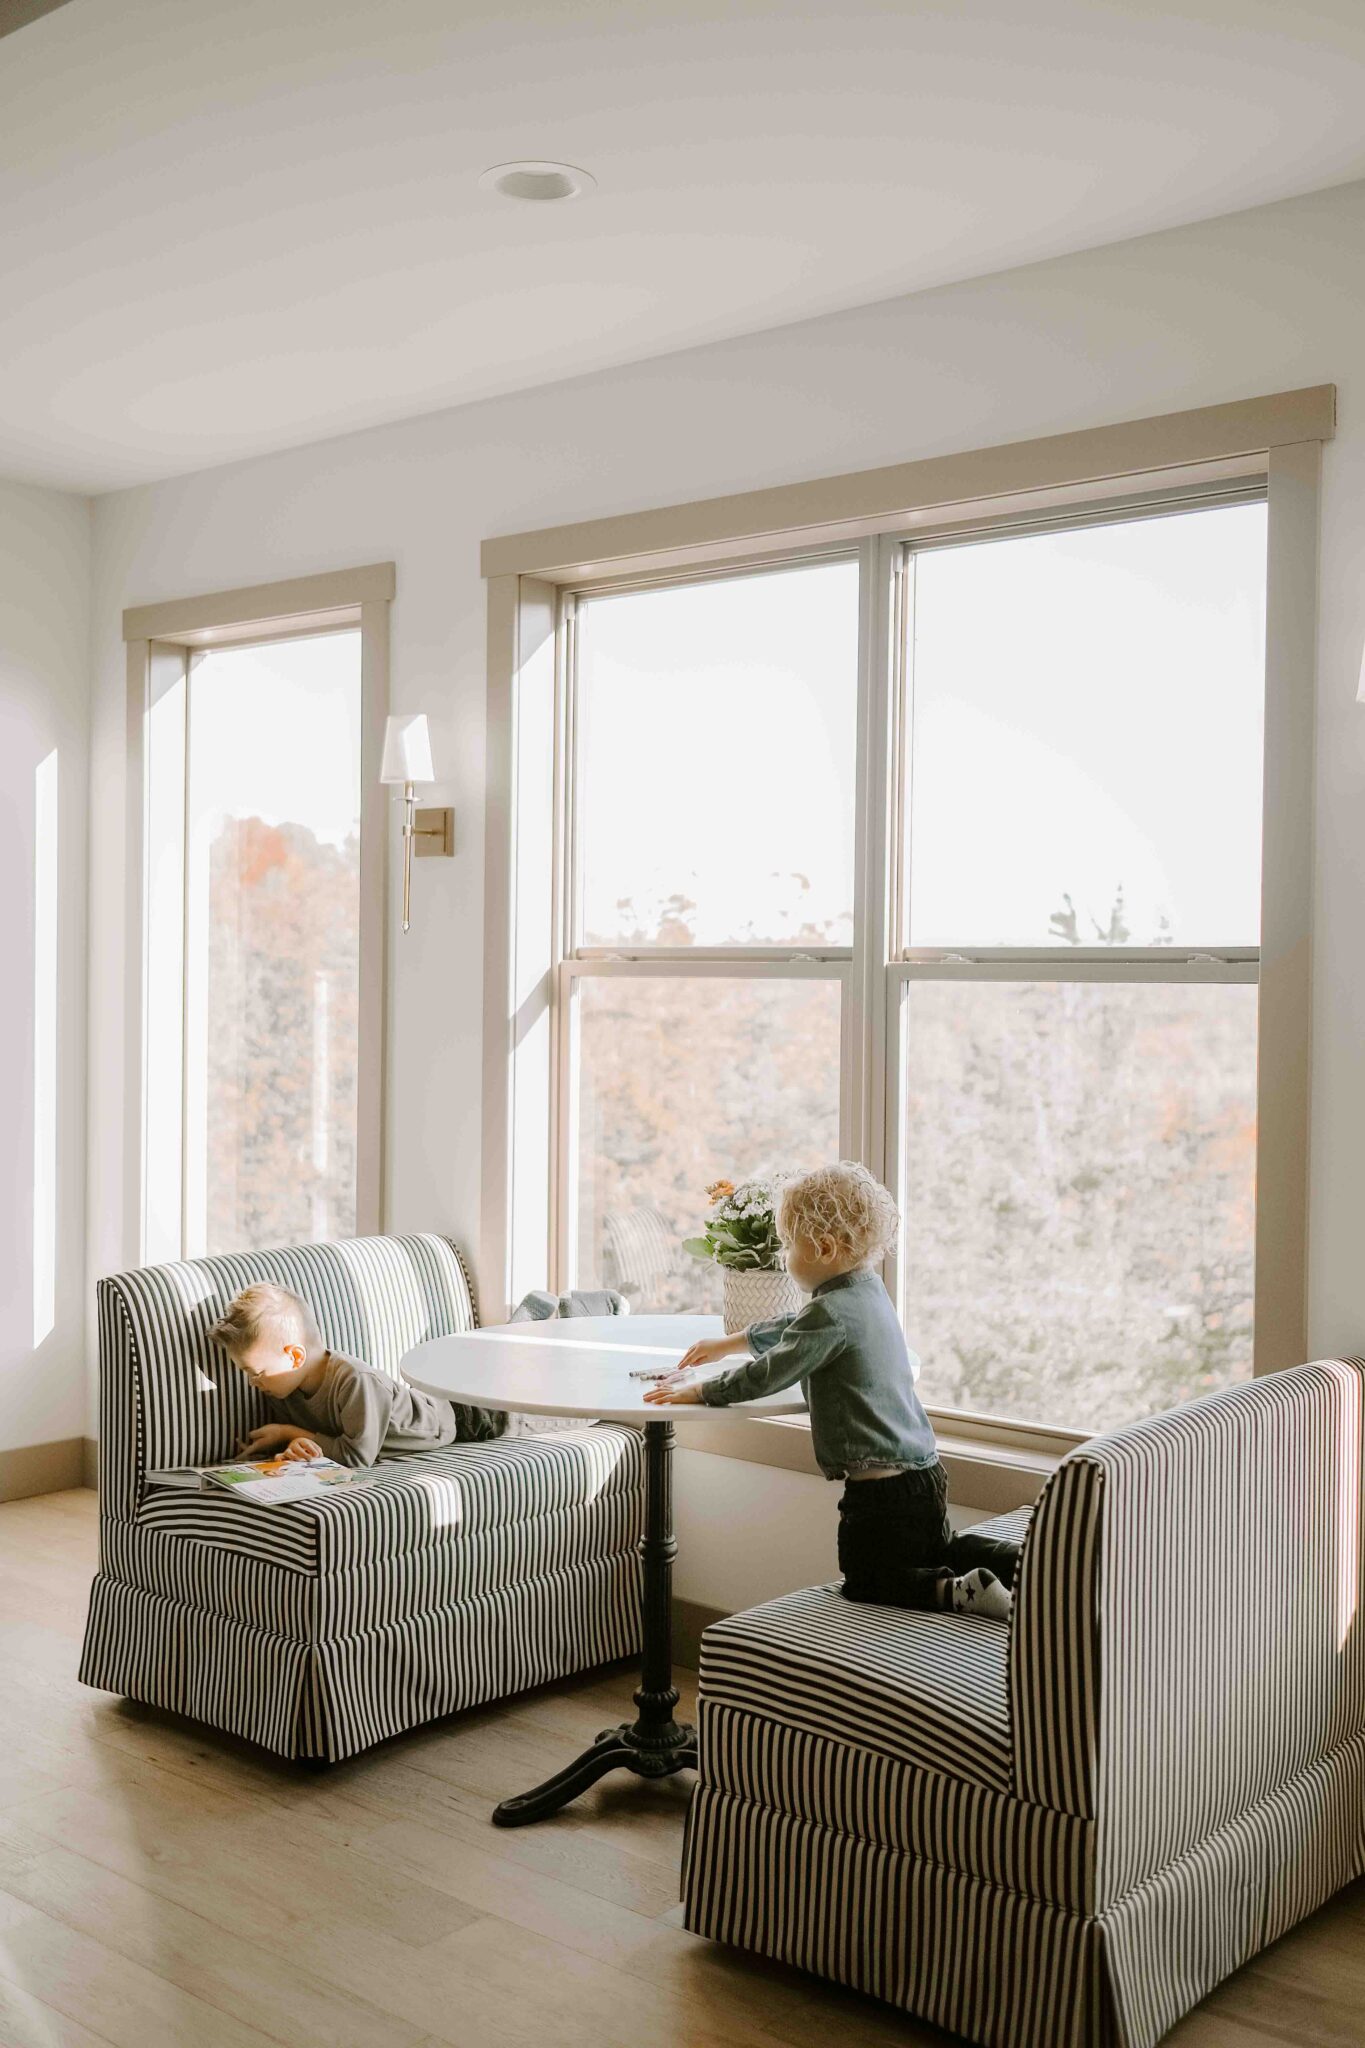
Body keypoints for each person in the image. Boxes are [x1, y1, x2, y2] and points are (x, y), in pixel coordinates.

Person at [645, 1162, 1016, 1620]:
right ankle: (1015, 1561)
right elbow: (795, 1326)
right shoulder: (866, 1290)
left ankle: (955, 1593)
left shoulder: (831, 1315)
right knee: (937, 1545)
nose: (783, 1255)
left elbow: (769, 1374)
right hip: (924, 1473)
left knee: (865, 1577)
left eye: (786, 1246)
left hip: (880, 1494)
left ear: (822, 1248)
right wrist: (731, 1342)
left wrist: (704, 1392)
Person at [208, 1283, 460, 1467]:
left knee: (495, 1402)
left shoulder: (355, 1381)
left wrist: (288, 1433)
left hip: (453, 1417)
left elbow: (356, 1458)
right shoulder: (280, 1389)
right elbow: (320, 1444)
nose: (253, 1382)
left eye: (257, 1372)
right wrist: (291, 1447)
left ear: (295, 1357)